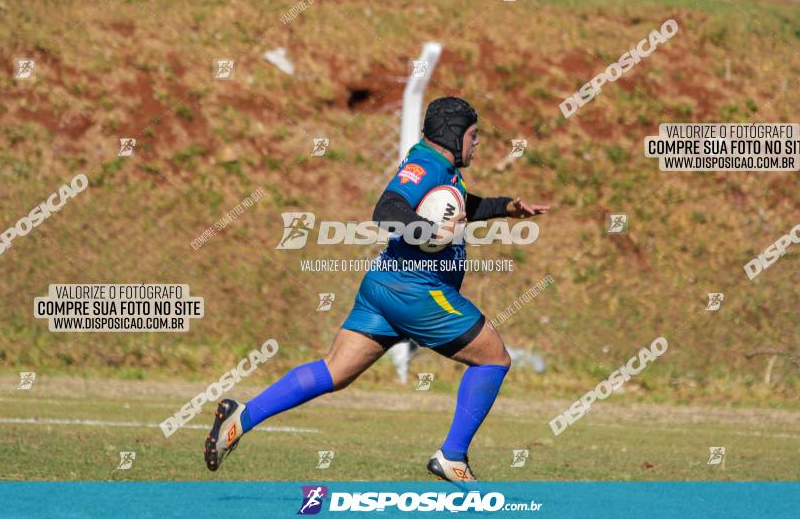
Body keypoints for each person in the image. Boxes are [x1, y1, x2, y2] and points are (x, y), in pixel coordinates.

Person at [205, 96, 550, 481]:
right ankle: (453, 456)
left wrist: (504, 206)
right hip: (417, 291)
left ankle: (242, 416)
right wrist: (427, 232)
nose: (477, 142)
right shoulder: (426, 164)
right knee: (493, 358)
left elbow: (457, 204)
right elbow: (386, 210)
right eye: (473, 135)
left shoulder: (435, 164)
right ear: (453, 135)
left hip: (383, 287)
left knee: (334, 371)